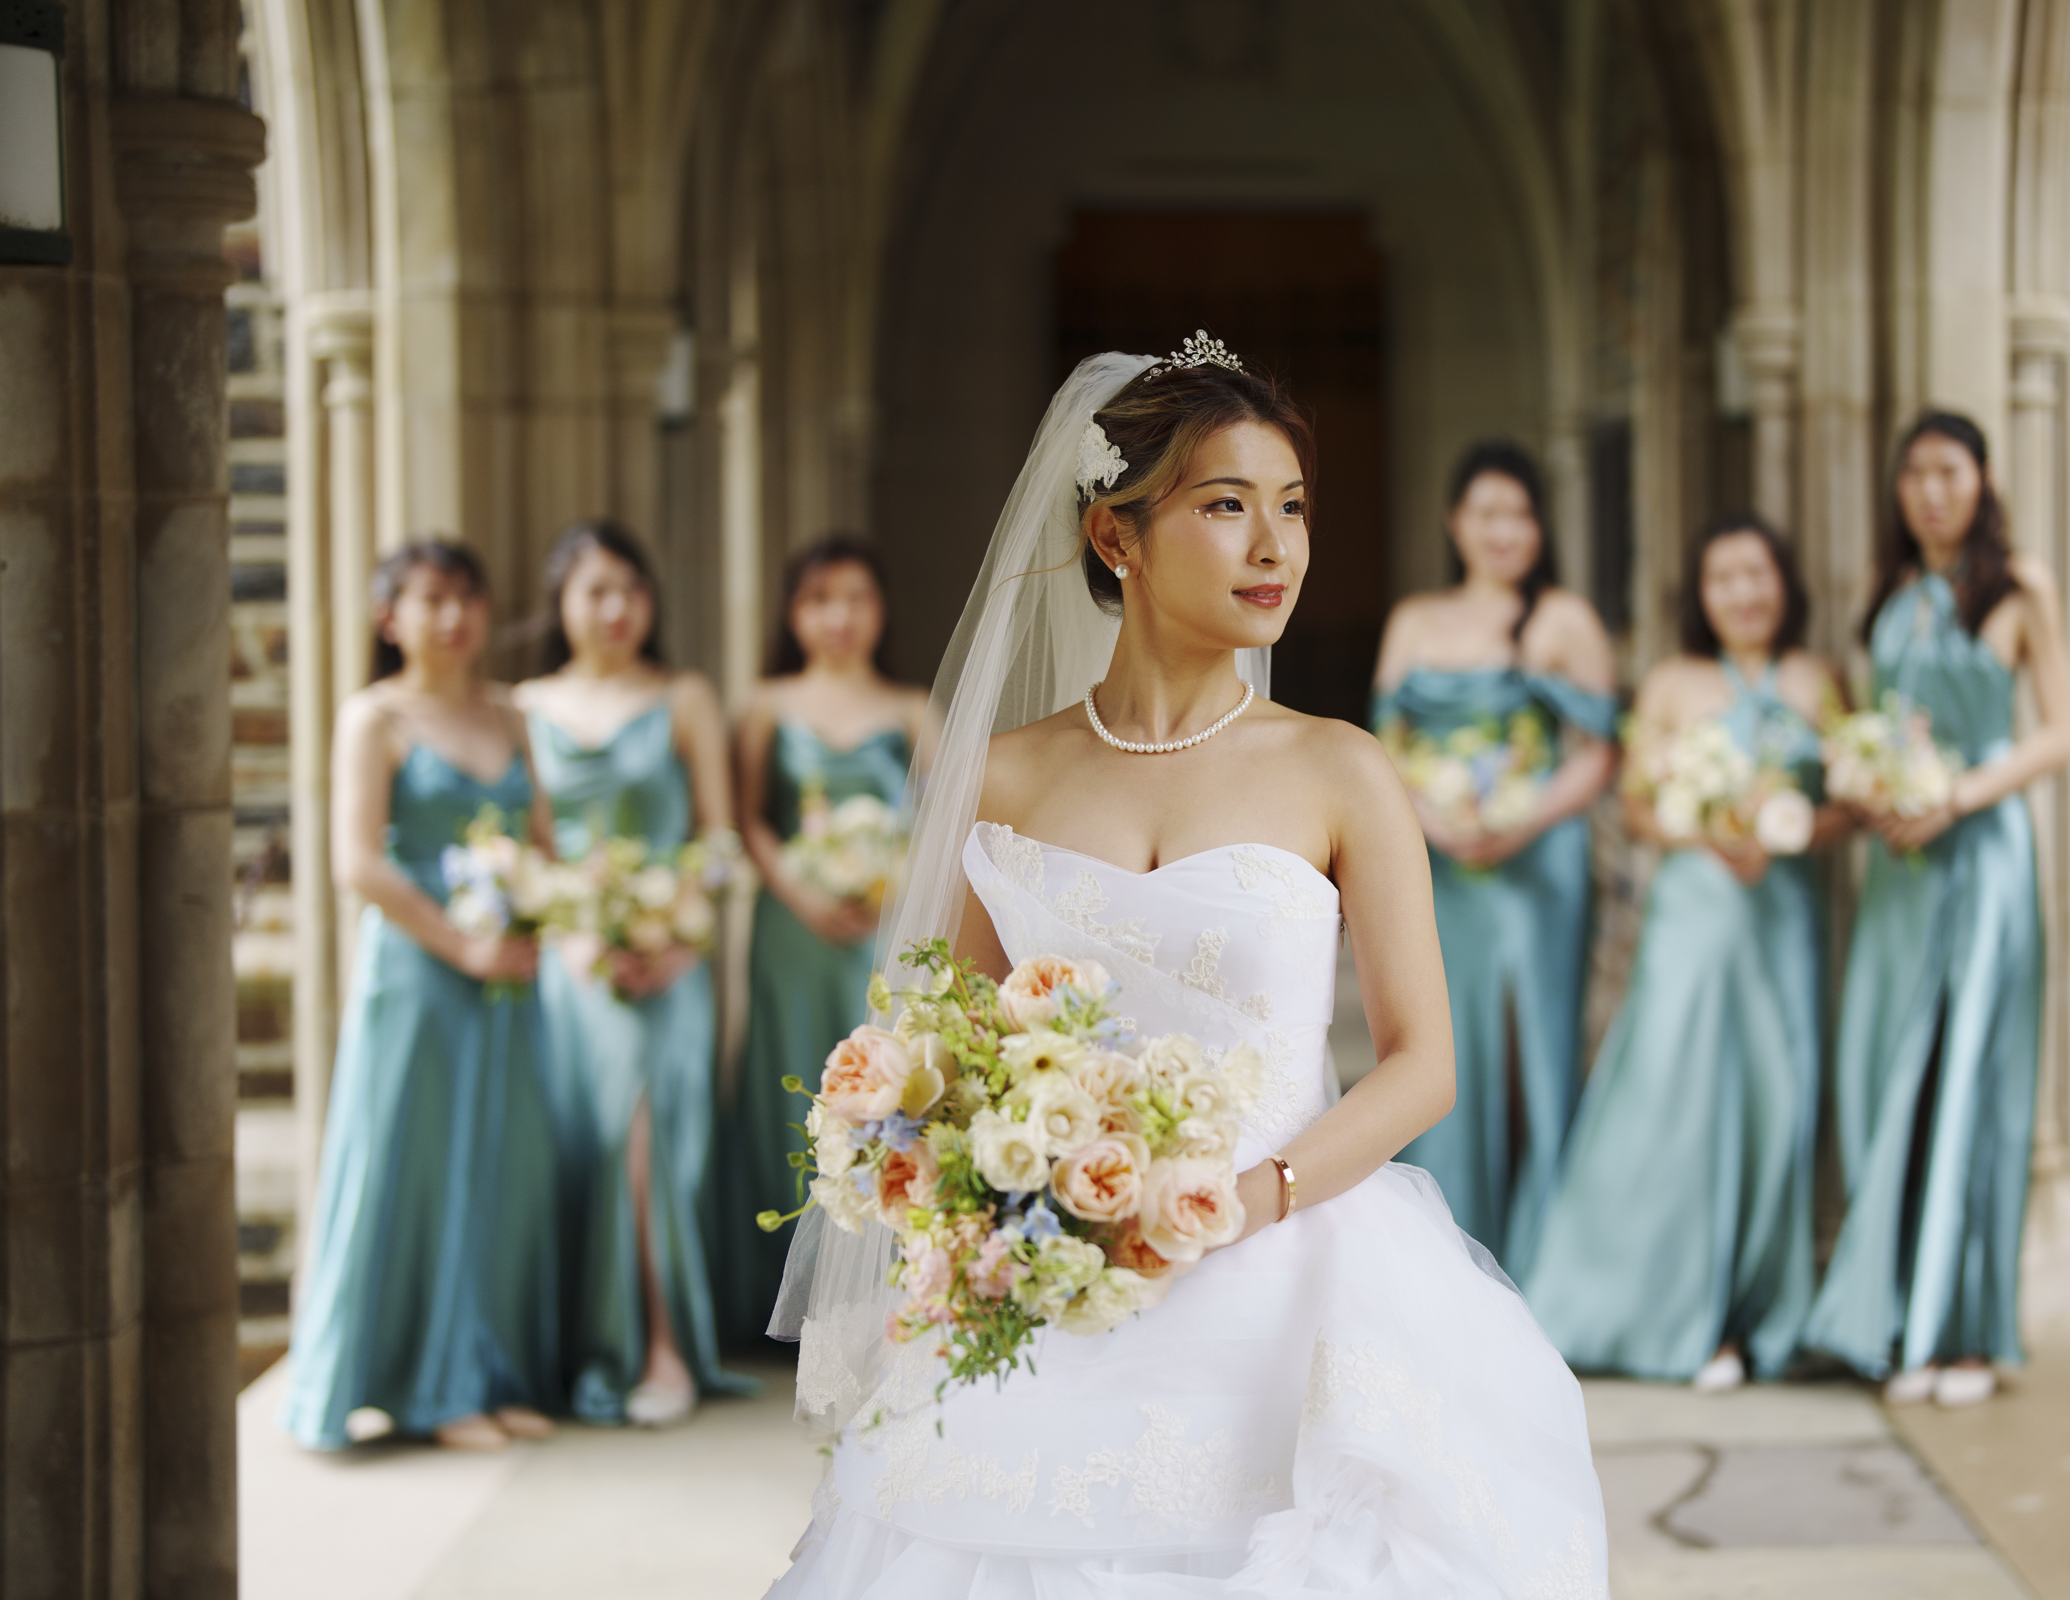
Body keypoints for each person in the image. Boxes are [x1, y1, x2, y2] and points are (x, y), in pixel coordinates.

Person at [762, 341, 1608, 1595]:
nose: (1277, 546)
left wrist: (1251, 1198)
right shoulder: (999, 773)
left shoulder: (1341, 769)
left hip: (1295, 1254)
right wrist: (987, 1187)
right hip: (1061, 1267)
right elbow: (956, 1047)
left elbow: (1422, 1062)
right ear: (1117, 537)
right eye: (1227, 506)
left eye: (1294, 507)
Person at [1520, 515, 1846, 1391]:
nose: (1744, 592)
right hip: (1694, 920)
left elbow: (1847, 800)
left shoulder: (1819, 681)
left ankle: (1753, 1317)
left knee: (1778, 1106)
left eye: (1757, 573)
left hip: (1781, 920)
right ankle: (1659, 1317)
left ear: (1784, 581)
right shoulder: (1670, 681)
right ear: (1701, 595)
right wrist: (1708, 829)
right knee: (1674, 1107)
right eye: (1723, 577)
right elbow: (1632, 805)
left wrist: (1796, 826)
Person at [1802, 412, 2070, 1409]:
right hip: (1899, 871)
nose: (1930, 491)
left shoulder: (2020, 586)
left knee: (1972, 1080)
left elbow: (2061, 734)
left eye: (1947, 471)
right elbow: (1880, 724)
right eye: (1913, 474)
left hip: (1981, 858)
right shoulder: (1894, 592)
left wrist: (1955, 795)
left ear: (1983, 476)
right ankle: (1889, 1316)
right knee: (1887, 1077)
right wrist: (1873, 788)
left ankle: (1965, 1333)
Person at [280, 540, 563, 1451]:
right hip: (415, 972)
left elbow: (545, 840)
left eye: (468, 597)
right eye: (433, 599)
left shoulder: (513, 713)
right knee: (413, 1161)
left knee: (498, 1166)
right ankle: (421, 1391)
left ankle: (480, 1372)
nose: (454, 617)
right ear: (388, 618)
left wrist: (539, 918)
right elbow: (356, 860)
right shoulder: (375, 717)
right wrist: (460, 945)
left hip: (509, 973)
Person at [515, 521, 755, 1426]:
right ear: (562, 603)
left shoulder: (684, 694)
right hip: (572, 963)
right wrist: (572, 933)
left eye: (632, 589)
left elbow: (718, 839)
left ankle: (661, 1343)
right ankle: (578, 1343)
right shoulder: (524, 704)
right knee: (584, 1144)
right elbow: (533, 848)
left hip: (671, 959)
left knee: (652, 1141)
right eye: (595, 590)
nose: (616, 608)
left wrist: (684, 938)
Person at [1368, 442, 1617, 1273]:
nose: (1503, 531)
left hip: (1537, 867)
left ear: (1541, 525)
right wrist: (1433, 822)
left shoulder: (1563, 620)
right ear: (1455, 522)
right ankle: (1446, 1251)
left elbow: (1597, 752)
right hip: (1442, 866)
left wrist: (1519, 819)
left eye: (1519, 514)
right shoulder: (1414, 619)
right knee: (1443, 1041)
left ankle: (1546, 1260)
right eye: (1486, 513)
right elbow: (1384, 747)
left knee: (1530, 1049)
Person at [715, 538, 924, 1343]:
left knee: (880, 1092)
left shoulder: (911, 708)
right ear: (792, 613)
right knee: (790, 1082)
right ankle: (773, 1304)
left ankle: (867, 1298)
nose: (838, 618)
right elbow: (749, 818)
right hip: (790, 929)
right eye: (818, 599)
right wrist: (800, 892)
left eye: (856, 598)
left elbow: (953, 812)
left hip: (881, 932)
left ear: (881, 609)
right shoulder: (767, 703)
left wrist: (891, 885)